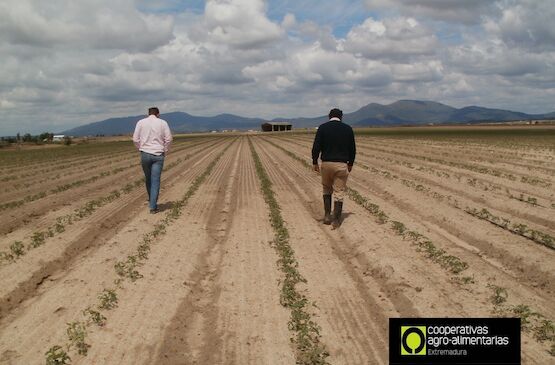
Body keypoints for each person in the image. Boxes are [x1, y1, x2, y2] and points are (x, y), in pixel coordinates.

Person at [311, 108, 356, 228]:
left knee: (326, 189)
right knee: (339, 191)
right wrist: (350, 163)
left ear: (329, 116)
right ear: (341, 117)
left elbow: (316, 147)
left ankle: (327, 216)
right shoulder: (347, 129)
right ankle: (336, 219)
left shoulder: (322, 128)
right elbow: (352, 149)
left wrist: (315, 161)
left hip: (326, 164)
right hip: (341, 164)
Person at [133, 107, 173, 214]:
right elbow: (169, 139)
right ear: (158, 114)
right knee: (155, 180)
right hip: (158, 154)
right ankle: (153, 206)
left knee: (148, 178)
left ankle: (152, 200)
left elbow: (135, 139)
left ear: (148, 114)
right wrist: (165, 149)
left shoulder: (140, 122)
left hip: (145, 154)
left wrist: (141, 148)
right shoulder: (163, 123)